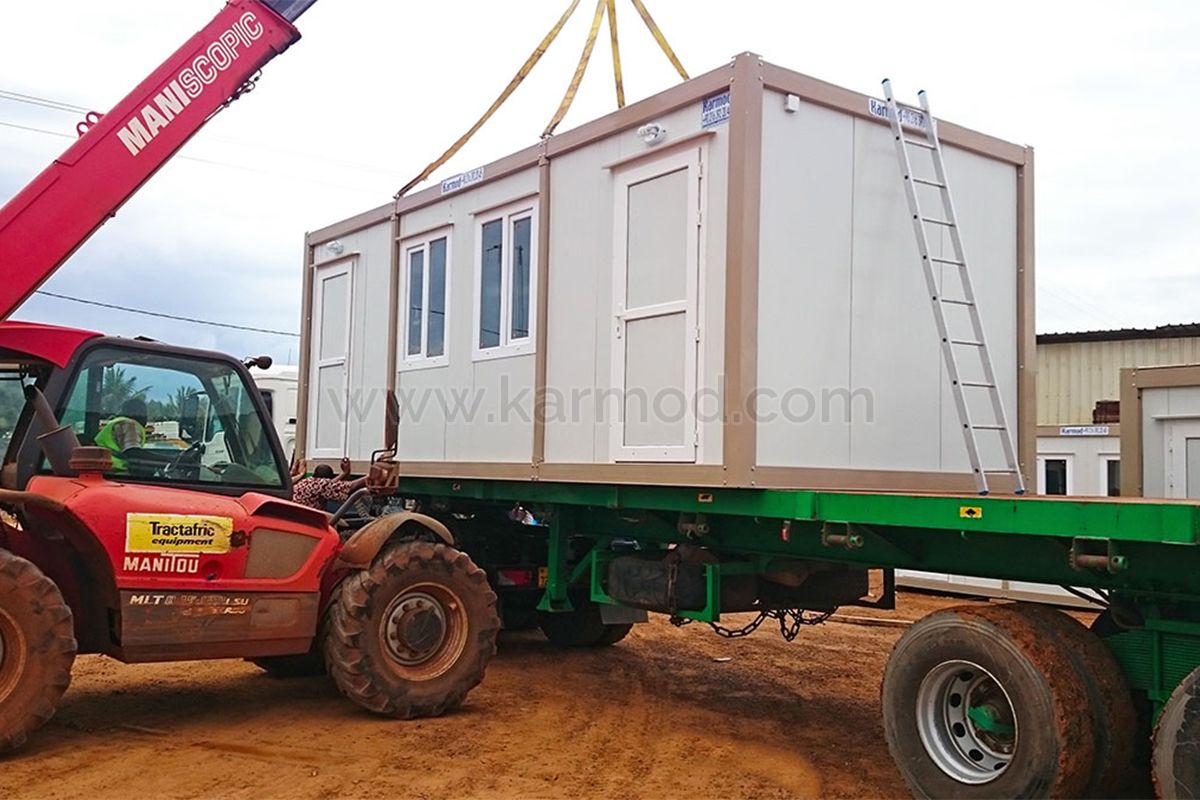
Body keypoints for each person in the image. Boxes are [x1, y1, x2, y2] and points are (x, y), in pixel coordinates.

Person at [292, 457, 368, 512]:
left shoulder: (308, 481)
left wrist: (344, 473)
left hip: (297, 513)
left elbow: (329, 485)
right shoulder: (322, 485)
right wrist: (371, 476)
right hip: (305, 516)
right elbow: (351, 486)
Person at [95, 398, 148, 471]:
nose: (146, 416)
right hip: (112, 471)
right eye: (143, 412)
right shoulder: (129, 424)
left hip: (105, 468)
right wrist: (163, 459)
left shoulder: (119, 423)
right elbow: (133, 452)